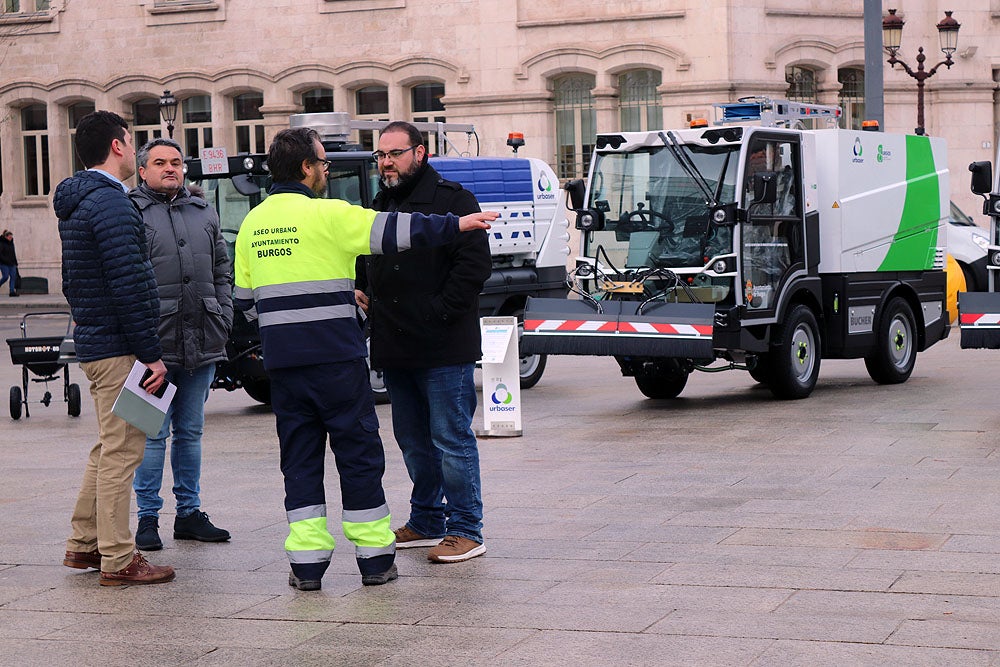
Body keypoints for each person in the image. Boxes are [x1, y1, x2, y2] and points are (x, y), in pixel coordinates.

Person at [232, 127, 495, 591]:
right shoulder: (336, 213)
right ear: (307, 169)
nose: (384, 162)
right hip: (341, 359)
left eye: (393, 153)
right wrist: (455, 224)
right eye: (324, 164)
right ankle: (376, 559)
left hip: (290, 365)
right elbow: (398, 235)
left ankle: (309, 564)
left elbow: (245, 300)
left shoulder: (253, 223)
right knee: (360, 454)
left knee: (300, 460)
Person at [355, 121, 491, 563]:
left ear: (420, 153)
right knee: (413, 439)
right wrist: (363, 291)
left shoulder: (454, 200)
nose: (386, 162)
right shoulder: (379, 203)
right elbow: (365, 256)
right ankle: (428, 519)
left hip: (443, 345)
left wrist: (438, 313)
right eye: (381, 155)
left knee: (450, 437)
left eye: (394, 153)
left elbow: (473, 269)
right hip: (395, 345)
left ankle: (466, 528)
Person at [54, 110, 174, 586]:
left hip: (98, 341)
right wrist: (150, 352)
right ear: (120, 145)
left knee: (107, 447)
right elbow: (130, 283)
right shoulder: (113, 204)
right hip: (121, 346)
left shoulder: (79, 200)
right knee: (123, 451)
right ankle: (119, 557)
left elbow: (74, 281)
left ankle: (83, 546)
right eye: (132, 138)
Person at [129, 138, 233, 551]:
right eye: (160, 163)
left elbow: (222, 267)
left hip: (202, 337)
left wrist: (223, 316)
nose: (170, 168)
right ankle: (147, 519)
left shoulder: (202, 210)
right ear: (142, 170)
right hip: (151, 343)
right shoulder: (131, 211)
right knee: (150, 434)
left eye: (176, 162)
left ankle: (189, 513)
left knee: (190, 432)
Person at [0, 229, 18, 296]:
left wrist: (16, 262)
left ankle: (12, 291)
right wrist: (5, 260)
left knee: (13, 277)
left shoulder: (11, 243)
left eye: (11, 237)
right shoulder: (1, 243)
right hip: (3, 263)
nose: (11, 238)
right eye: (10, 237)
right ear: (6, 237)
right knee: (5, 276)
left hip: (12, 263)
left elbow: (13, 253)